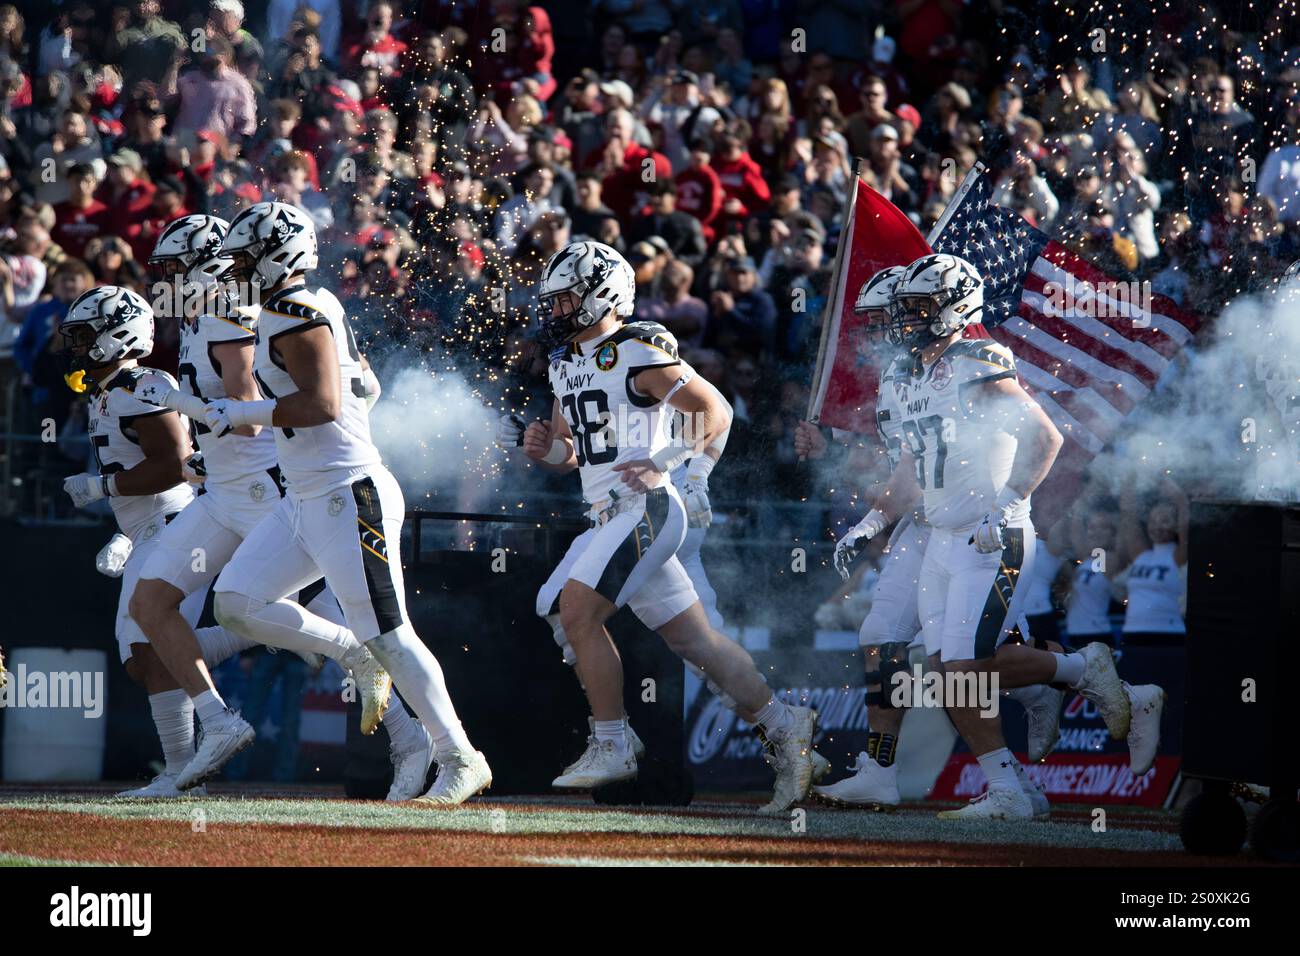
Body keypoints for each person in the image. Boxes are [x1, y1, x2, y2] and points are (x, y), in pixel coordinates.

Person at [498, 239, 819, 814]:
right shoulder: (564, 362)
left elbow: (713, 410)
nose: (556, 311)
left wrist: (670, 463)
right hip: (607, 513)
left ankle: (613, 741)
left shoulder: (635, 350)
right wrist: (543, 450)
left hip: (645, 508)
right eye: (554, 301)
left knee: (576, 611)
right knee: (691, 640)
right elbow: (572, 454)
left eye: (567, 299)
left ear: (603, 295)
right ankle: (784, 723)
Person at [126, 214, 431, 799]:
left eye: (173, 269)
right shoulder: (203, 318)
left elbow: (244, 412)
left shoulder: (231, 317)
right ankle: (217, 725)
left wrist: (177, 402)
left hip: (270, 492)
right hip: (224, 493)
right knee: (152, 603)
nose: (165, 280)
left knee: (350, 626)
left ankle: (414, 741)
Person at [195, 202, 490, 804]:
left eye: (248, 256)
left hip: (347, 492)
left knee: (393, 633)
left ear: (278, 255)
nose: (239, 267)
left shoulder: (294, 312)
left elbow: (324, 403)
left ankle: (460, 756)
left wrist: (244, 411)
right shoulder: (308, 304)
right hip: (306, 496)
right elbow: (359, 386)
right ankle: (351, 652)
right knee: (235, 601)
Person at [871, 253, 1154, 819]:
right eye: (907, 308)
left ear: (955, 307)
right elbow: (911, 465)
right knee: (949, 671)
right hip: (944, 539)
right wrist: (871, 521)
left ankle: (1009, 786)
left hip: (989, 538)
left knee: (960, 670)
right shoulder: (917, 373)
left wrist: (1004, 506)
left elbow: (1045, 437)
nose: (907, 319)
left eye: (920, 307)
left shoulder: (978, 361)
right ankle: (1062, 700)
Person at [56, 285, 265, 797]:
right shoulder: (108, 390)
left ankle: (179, 772)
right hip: (150, 530)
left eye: (85, 336)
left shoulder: (140, 386)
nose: (77, 347)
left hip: (176, 525)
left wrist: (101, 488)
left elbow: (173, 465)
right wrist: (124, 535)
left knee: (149, 650)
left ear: (117, 334)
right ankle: (261, 633)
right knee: (140, 659)